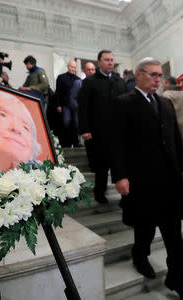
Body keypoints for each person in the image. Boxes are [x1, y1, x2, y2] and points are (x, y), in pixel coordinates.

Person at [111, 57, 183, 300]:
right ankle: (139, 255)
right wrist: (119, 176)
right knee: (145, 229)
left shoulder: (165, 103)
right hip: (142, 181)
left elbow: (175, 138)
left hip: (170, 180)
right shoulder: (123, 103)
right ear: (138, 75)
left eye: (159, 75)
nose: (157, 79)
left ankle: (181, 284)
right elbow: (117, 143)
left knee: (174, 236)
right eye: (152, 75)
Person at [79, 50, 126, 203]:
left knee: (121, 164)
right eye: (106, 60)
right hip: (98, 132)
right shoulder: (89, 81)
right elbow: (83, 107)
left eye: (112, 60)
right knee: (101, 167)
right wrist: (84, 129)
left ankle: (125, 195)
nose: (110, 62)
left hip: (119, 132)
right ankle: (100, 193)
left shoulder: (120, 81)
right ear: (99, 62)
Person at [0, 91, 41, 172]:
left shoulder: (43, 173)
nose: (16, 128)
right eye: (3, 115)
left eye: (25, 127)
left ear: (31, 152)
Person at [161, 76, 183, 150]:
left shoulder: (166, 94)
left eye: (162, 83)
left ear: (168, 83)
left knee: (177, 147)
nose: (161, 85)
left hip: (174, 124)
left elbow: (165, 111)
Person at [55, 60, 81, 147]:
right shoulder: (61, 77)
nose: (73, 69)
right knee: (66, 122)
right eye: (71, 67)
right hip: (65, 104)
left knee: (76, 124)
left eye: (74, 67)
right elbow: (57, 92)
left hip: (75, 106)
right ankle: (66, 143)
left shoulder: (78, 79)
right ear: (68, 66)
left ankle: (75, 142)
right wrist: (58, 105)